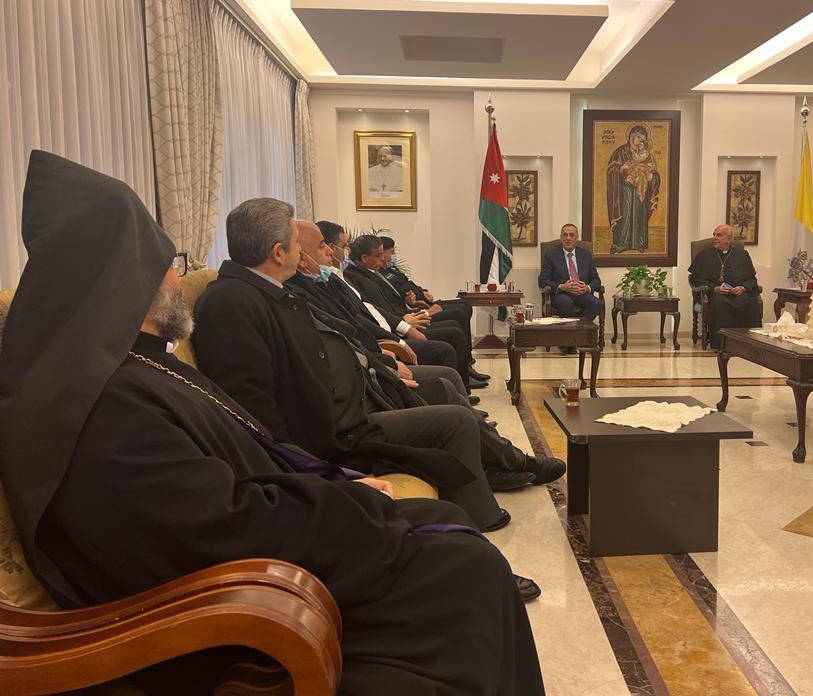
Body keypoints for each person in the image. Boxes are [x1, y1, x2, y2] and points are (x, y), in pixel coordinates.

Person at [0, 151, 544, 695]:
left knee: (450, 532)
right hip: (230, 624)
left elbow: (245, 450)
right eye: (167, 265)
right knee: (468, 571)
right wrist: (353, 502)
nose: (177, 278)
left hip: (257, 566)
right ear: (126, 279)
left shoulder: (130, 365)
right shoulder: (100, 406)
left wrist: (340, 485)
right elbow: (215, 529)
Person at [192, 198, 507, 533]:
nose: (303, 253)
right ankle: (477, 522)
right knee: (455, 420)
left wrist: (376, 371)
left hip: (352, 408)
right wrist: (319, 469)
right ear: (278, 253)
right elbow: (256, 414)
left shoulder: (264, 291)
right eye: (297, 243)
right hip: (334, 436)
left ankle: (483, 495)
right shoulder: (230, 304)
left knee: (451, 410)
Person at [287, 220, 565, 491]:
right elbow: (349, 333)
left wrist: (410, 314)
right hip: (369, 381)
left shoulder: (328, 281)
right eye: (325, 246)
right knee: (446, 374)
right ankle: (508, 459)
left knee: (450, 375)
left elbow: (361, 318)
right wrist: (389, 350)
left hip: (379, 359)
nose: (334, 252)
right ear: (295, 257)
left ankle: (492, 452)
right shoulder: (305, 293)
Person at [345, 234, 481, 390]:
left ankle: (464, 376)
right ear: (364, 258)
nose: (383, 258)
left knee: (456, 320)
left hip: (403, 319)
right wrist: (405, 321)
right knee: (452, 333)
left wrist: (412, 308)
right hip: (394, 330)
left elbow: (394, 298)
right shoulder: (354, 276)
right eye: (379, 255)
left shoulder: (371, 272)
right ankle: (461, 387)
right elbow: (372, 310)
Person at [688, 224, 761, 349]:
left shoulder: (742, 255)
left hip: (738, 293)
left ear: (729, 239)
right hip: (716, 294)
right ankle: (722, 343)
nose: (715, 237)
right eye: (714, 235)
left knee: (750, 302)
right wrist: (715, 288)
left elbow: (752, 279)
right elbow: (695, 279)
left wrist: (742, 288)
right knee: (720, 303)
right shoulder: (704, 255)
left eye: (719, 235)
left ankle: (748, 342)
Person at [606, 125, 660, 253]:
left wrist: (651, 177)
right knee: (625, 215)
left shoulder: (647, 155)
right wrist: (621, 169)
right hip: (624, 191)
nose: (639, 141)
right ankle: (621, 244)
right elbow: (611, 170)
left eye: (642, 138)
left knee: (639, 215)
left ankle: (639, 243)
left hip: (641, 191)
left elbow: (654, 173)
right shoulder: (621, 152)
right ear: (630, 137)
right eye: (637, 137)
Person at [538, 223, 603, 322]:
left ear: (576, 238)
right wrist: (561, 286)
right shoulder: (551, 255)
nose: (568, 238)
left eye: (571, 235)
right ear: (561, 237)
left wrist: (587, 288)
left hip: (582, 294)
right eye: (565, 235)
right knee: (566, 303)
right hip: (561, 294)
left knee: (596, 303)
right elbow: (542, 280)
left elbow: (596, 280)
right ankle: (572, 330)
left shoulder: (586, 255)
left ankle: (581, 328)